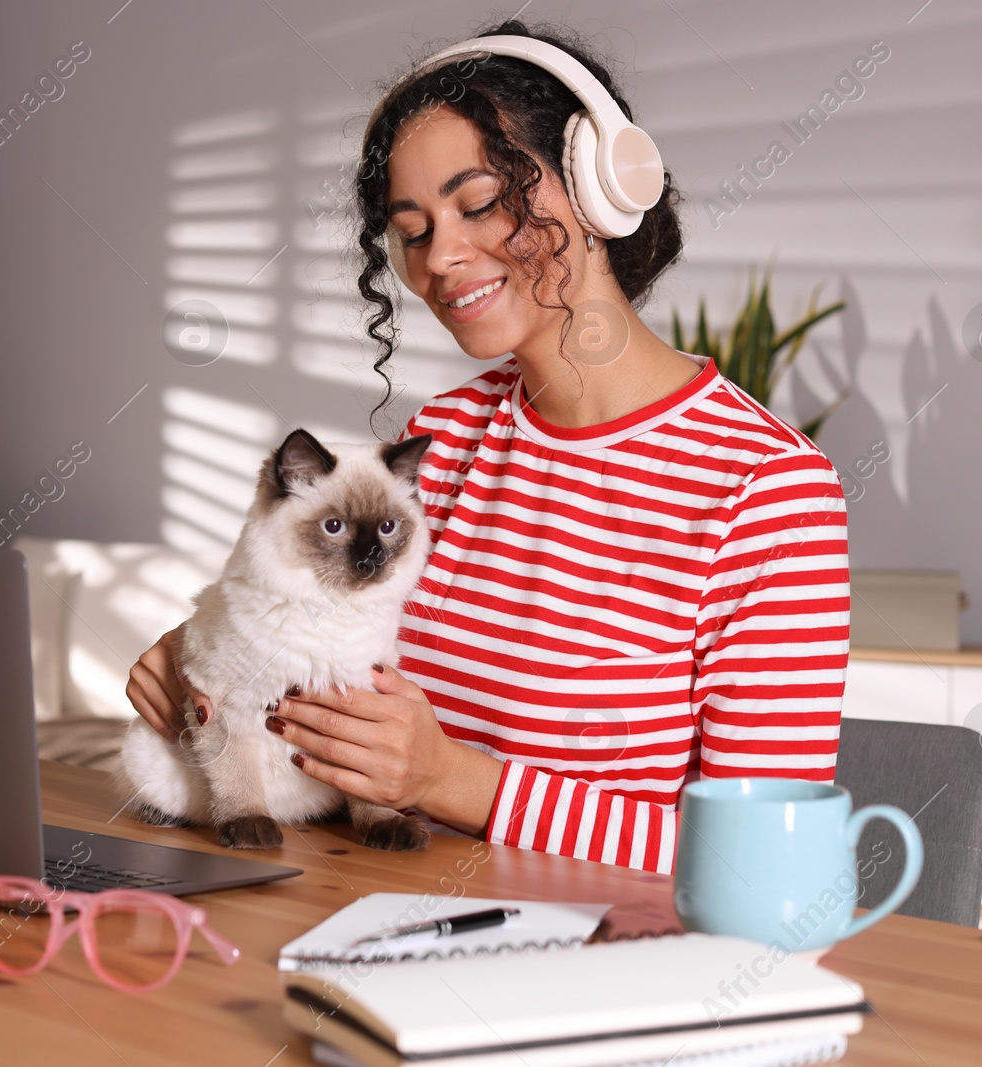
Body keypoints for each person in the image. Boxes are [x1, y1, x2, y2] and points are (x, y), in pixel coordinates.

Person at [126, 18, 849, 873]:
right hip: (366, 905)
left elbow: (769, 858)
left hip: (597, 955)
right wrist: (210, 660)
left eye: (478, 203)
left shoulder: (768, 490)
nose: (444, 257)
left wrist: (458, 782)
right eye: (415, 228)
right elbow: (329, 675)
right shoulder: (445, 438)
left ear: (597, 184)